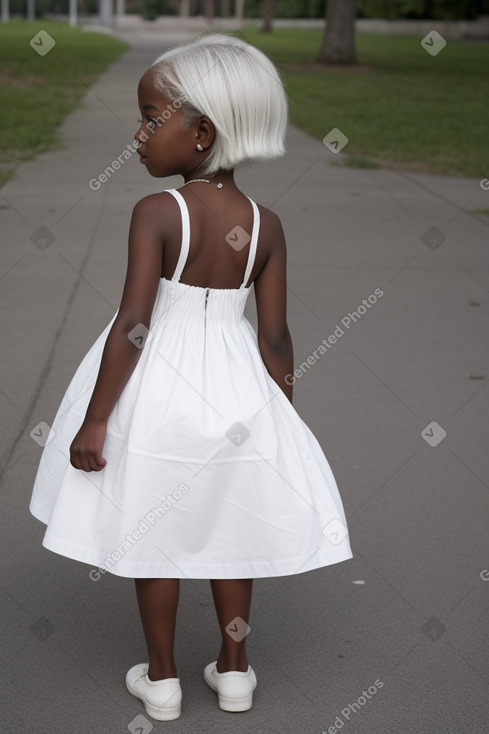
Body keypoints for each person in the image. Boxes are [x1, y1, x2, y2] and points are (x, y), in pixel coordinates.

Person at [29, 32, 353, 721]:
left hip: (160, 394)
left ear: (201, 131)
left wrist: (94, 418)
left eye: (151, 118)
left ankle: (164, 678)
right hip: (238, 394)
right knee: (229, 525)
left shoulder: (158, 214)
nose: (139, 136)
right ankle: (235, 671)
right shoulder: (265, 225)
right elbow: (273, 335)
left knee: (156, 532)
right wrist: (281, 415)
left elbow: (135, 325)